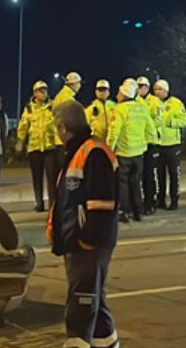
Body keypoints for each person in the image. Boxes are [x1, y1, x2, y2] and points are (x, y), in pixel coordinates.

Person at [48, 100, 120, 348]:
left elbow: (102, 204)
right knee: (94, 298)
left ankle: (77, 342)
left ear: (63, 127)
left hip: (89, 245)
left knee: (82, 301)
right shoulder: (78, 151)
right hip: (79, 243)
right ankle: (107, 342)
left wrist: (87, 240)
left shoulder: (93, 152)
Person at [107, 78, 157, 223]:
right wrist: (147, 144)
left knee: (123, 183)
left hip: (124, 153)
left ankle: (125, 212)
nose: (117, 95)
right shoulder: (141, 108)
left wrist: (109, 150)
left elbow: (113, 133)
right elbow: (151, 130)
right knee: (136, 183)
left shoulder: (119, 110)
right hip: (139, 153)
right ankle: (138, 212)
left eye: (118, 93)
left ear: (123, 94)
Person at [17, 80, 60, 212]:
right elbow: (23, 127)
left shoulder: (53, 106)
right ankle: (39, 203)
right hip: (34, 148)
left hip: (50, 147)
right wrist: (20, 141)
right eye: (40, 90)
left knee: (52, 177)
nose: (43, 93)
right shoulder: (29, 109)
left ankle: (53, 203)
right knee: (37, 177)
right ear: (34, 93)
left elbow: (59, 125)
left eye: (44, 90)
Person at [153, 79, 186, 210]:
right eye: (155, 89)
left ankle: (174, 200)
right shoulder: (152, 103)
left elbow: (184, 121)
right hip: (157, 144)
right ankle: (160, 199)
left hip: (172, 145)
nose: (157, 92)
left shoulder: (176, 103)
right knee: (159, 175)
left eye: (159, 89)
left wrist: (170, 122)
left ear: (166, 90)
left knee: (174, 174)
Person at [136, 76, 164, 215]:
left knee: (149, 174)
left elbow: (158, 120)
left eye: (142, 86)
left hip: (151, 142)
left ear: (148, 88)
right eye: (138, 86)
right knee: (140, 175)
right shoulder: (135, 101)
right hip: (139, 142)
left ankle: (150, 202)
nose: (140, 89)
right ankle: (141, 202)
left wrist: (144, 124)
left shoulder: (154, 102)